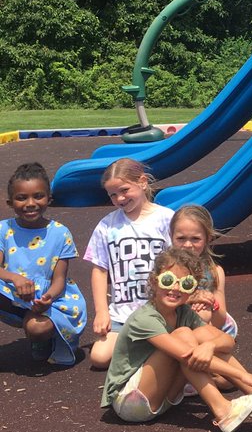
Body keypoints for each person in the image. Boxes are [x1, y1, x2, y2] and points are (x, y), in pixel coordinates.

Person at [101, 247, 252, 432]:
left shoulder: (183, 312)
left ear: (193, 289)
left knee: (199, 336)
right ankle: (223, 409)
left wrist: (209, 345)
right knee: (184, 336)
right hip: (130, 403)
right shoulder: (144, 318)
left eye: (186, 284)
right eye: (168, 280)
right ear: (154, 281)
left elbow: (227, 340)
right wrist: (243, 376)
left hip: (164, 401)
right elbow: (186, 355)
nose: (175, 289)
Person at [85, 158, 175, 369]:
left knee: (171, 345)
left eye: (124, 190)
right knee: (99, 357)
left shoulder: (166, 218)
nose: (120, 198)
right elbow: (99, 269)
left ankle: (150, 349)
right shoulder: (107, 225)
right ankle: (148, 349)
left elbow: (180, 263)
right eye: (112, 195)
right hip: (123, 311)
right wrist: (101, 311)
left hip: (159, 309)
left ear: (142, 182)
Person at [0, 162, 85, 366]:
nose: (30, 203)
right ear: (10, 202)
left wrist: (47, 298)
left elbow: (59, 280)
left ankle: (46, 337)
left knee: (37, 329)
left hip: (49, 299)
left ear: (49, 199)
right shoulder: (3, 230)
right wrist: (15, 277)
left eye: (38, 196)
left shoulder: (60, 233)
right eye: (22, 198)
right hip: (13, 293)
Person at [170, 204, 237, 338]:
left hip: (212, 327)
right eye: (181, 238)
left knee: (203, 313)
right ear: (171, 236)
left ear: (208, 239)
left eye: (195, 239)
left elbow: (219, 321)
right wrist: (190, 299)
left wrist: (211, 302)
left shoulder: (214, 272)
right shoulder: (166, 271)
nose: (188, 245)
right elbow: (161, 311)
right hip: (178, 329)